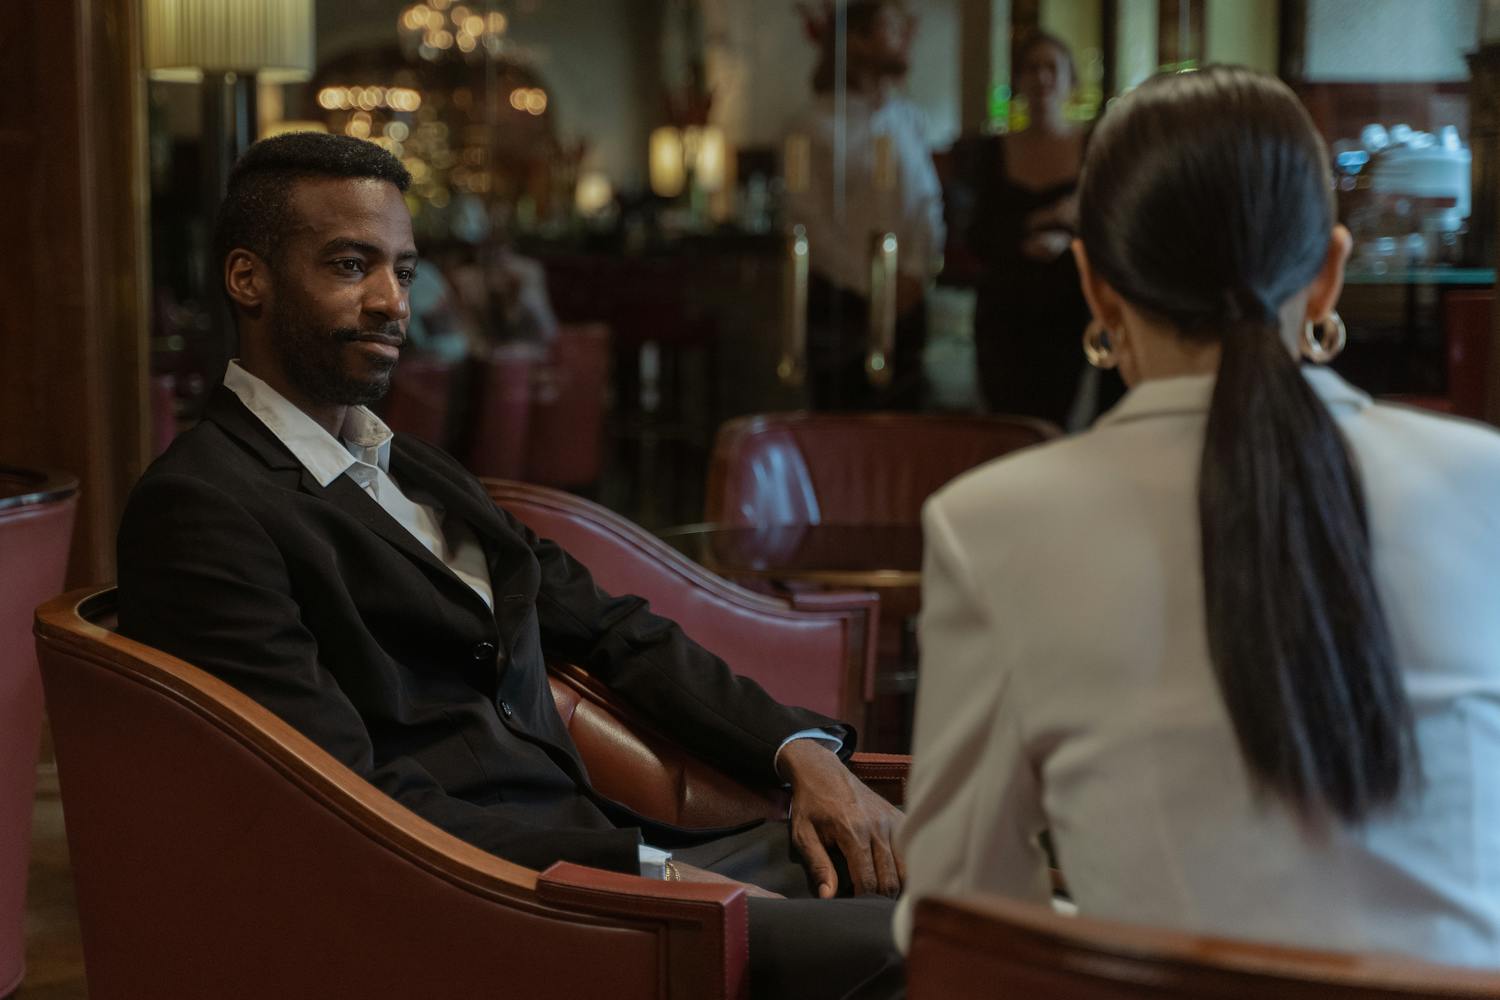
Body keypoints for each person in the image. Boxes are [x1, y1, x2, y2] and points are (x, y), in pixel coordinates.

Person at [116, 132, 903, 1000]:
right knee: (938, 943)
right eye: (350, 266)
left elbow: (612, 629)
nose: (391, 302)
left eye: (404, 271)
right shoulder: (202, 506)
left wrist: (801, 752)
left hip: (621, 852)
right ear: (247, 279)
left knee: (972, 854)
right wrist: (658, 885)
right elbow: (339, 798)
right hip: (508, 906)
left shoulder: (414, 467)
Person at [895, 66, 1500, 966]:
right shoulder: (1483, 483)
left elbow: (961, 929)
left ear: (1095, 289)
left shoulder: (991, 526)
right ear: (1328, 277)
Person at [944, 31, 1123, 427]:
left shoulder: (1095, 147)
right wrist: (1039, 220)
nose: (1041, 77)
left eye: (1051, 68)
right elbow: (971, 235)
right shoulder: (988, 152)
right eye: (1031, 68)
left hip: (1069, 314)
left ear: (1070, 81)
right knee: (1007, 426)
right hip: (1005, 316)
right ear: (1018, 81)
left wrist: (1067, 236)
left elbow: (1112, 227)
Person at [785, 0, 945, 410]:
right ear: (856, 41)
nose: (904, 39)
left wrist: (913, 272)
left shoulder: (908, 119)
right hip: (844, 304)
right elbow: (806, 220)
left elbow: (927, 205)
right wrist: (870, 283)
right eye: (890, 29)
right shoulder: (808, 126)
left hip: (907, 301)